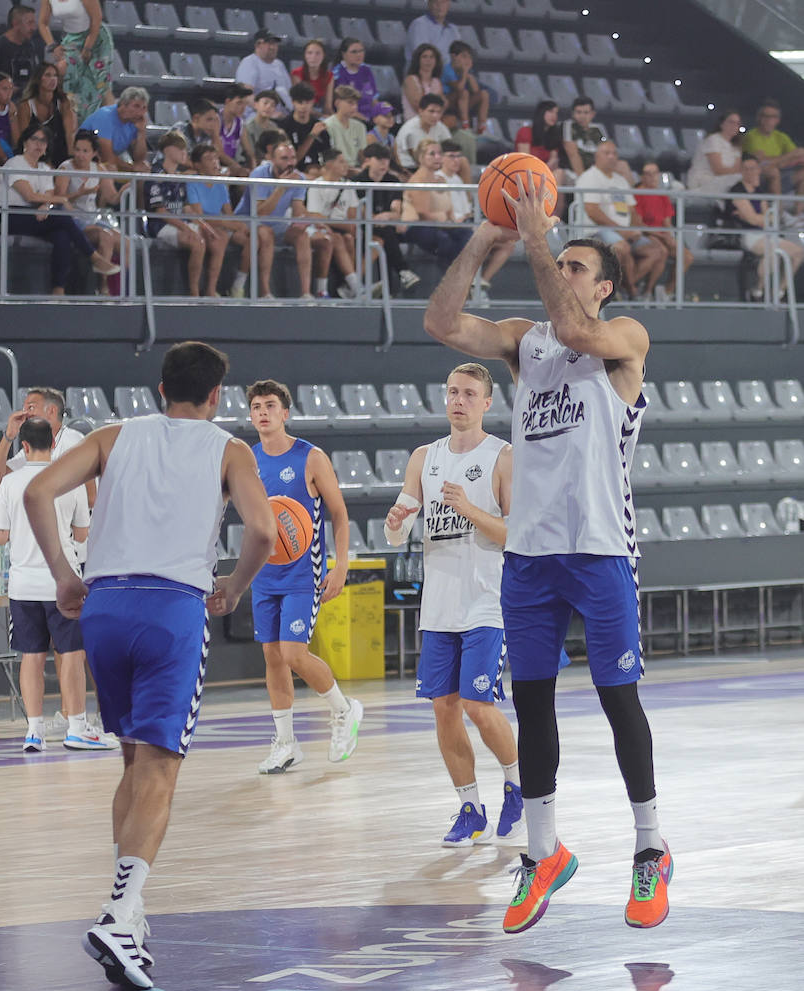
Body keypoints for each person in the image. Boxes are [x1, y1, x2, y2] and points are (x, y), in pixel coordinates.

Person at [423, 172, 673, 934]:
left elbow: (576, 332)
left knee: (615, 694)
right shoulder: (522, 342)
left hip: (599, 548)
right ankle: (542, 853)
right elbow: (440, 321)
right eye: (558, 260)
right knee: (530, 702)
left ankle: (650, 845)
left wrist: (533, 234)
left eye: (574, 266)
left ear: (603, 288)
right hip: (530, 553)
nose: (560, 271)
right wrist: (484, 234)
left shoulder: (623, 338)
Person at [22, 340, 275, 990]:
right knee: (161, 768)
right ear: (217, 396)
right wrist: (237, 584)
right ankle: (120, 912)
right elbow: (265, 531)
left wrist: (61, 574)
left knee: (133, 762)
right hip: (171, 607)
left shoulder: (113, 435)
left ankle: (128, 915)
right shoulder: (230, 449)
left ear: (160, 389)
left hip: (105, 604)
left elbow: (38, 490)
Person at [384, 362, 523, 845]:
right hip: (439, 604)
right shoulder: (425, 457)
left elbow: (517, 533)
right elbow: (397, 528)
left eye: (469, 393)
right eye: (452, 392)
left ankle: (517, 785)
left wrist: (469, 508)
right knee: (444, 708)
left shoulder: (502, 456)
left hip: (486, 600)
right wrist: (397, 520)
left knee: (477, 703)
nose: (458, 400)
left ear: (487, 403)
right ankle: (470, 806)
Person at [245, 379, 364, 774]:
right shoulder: (247, 460)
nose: (263, 412)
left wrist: (340, 564)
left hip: (303, 574)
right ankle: (286, 743)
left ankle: (344, 710)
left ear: (285, 413)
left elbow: (340, 514)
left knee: (293, 653)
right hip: (264, 573)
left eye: (270, 405)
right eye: (256, 406)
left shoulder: (310, 457)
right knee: (271, 656)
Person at [0, 416, 114, 752]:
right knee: (72, 655)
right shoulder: (69, 482)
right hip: (64, 583)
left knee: (30, 657)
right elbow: (81, 533)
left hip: (22, 585)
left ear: (24, 446)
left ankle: (34, 731)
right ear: (53, 444)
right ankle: (76, 726)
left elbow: (0, 537)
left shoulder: (10, 483)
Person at [0, 125, 122, 294]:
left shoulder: (45, 169)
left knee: (62, 235)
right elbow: (30, 196)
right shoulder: (15, 162)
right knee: (62, 217)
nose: (38, 144)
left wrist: (46, 206)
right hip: (10, 214)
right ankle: (95, 258)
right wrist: (59, 200)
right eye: (34, 139)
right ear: (25, 142)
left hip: (33, 215)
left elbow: (47, 196)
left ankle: (58, 290)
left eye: (43, 141)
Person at [231, 138, 326, 299]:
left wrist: (304, 221)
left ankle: (306, 294)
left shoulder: (299, 178)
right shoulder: (259, 174)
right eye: (284, 158)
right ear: (272, 159)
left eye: (293, 158)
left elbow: (297, 210)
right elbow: (260, 212)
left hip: (277, 224)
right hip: (248, 221)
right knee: (266, 233)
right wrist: (281, 187)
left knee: (302, 236)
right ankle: (265, 293)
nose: (290, 163)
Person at [574, 140, 668, 300]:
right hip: (596, 230)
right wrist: (621, 230)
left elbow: (633, 212)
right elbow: (592, 211)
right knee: (622, 248)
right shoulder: (589, 178)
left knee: (657, 251)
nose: (611, 157)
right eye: (607, 153)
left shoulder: (620, 180)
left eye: (614, 153)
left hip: (622, 231)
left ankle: (620, 288)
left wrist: (636, 230)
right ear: (597, 156)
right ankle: (632, 290)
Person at [145, 131, 222, 298]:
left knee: (212, 238)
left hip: (179, 222)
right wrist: (187, 229)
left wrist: (206, 227)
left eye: (185, 149)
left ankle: (210, 290)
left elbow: (187, 209)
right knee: (197, 241)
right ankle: (193, 292)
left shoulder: (179, 177)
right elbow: (161, 213)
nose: (184, 153)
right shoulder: (157, 175)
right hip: (160, 225)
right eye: (179, 148)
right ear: (167, 150)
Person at [0, 387, 91, 502]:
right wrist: (9, 436)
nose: (25, 414)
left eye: (31, 407)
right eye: (24, 408)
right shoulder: (34, 446)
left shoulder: (74, 441)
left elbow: (91, 498)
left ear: (51, 411)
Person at [440, 140, 510, 301]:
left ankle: (481, 281)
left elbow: (467, 208)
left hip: (467, 223)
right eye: (451, 156)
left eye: (458, 156)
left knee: (507, 244)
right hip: (451, 226)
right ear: (441, 158)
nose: (456, 160)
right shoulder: (438, 179)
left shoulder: (458, 179)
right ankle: (470, 286)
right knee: (481, 240)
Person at [728, 155, 804, 301]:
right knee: (772, 252)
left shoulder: (759, 192)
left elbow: (770, 218)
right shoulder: (737, 190)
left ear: (758, 170)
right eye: (747, 169)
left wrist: (760, 218)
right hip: (747, 235)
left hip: (765, 234)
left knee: (798, 252)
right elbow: (752, 219)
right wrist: (761, 218)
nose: (751, 172)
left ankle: (780, 292)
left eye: (753, 168)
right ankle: (758, 291)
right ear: (741, 171)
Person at [56, 129, 122, 292]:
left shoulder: (98, 169)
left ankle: (123, 290)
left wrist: (126, 189)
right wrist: (80, 193)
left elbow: (112, 198)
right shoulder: (65, 168)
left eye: (85, 151)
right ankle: (102, 286)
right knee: (105, 236)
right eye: (77, 149)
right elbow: (59, 198)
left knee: (125, 243)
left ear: (93, 153)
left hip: (94, 219)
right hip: (73, 219)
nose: (80, 154)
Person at [355, 142, 419, 293]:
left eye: (386, 159)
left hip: (386, 225)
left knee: (388, 233)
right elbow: (363, 213)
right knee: (387, 233)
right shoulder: (358, 181)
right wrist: (379, 218)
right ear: (369, 160)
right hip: (363, 225)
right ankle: (403, 272)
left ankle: (391, 287)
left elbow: (396, 212)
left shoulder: (393, 181)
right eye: (379, 159)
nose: (384, 163)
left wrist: (386, 216)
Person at [38, 0, 113, 123]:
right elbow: (42, 23)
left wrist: (87, 48)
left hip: (95, 37)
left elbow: (96, 19)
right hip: (72, 37)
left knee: (101, 84)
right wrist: (52, 46)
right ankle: (74, 122)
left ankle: (107, 125)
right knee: (67, 76)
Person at [404, 139, 470, 268]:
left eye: (439, 154)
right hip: (418, 226)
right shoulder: (418, 180)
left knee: (466, 234)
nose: (437, 158)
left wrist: (452, 221)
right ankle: (451, 278)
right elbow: (422, 213)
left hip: (442, 223)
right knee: (444, 239)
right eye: (432, 154)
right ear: (421, 158)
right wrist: (447, 221)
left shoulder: (441, 180)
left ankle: (464, 277)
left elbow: (449, 208)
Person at [305, 148, 362, 299]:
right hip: (320, 228)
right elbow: (315, 216)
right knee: (335, 238)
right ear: (329, 164)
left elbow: (352, 218)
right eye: (341, 162)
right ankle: (354, 287)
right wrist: (338, 224)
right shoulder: (317, 186)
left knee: (349, 239)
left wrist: (339, 225)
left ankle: (349, 287)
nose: (346, 166)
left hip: (339, 228)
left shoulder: (348, 186)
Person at [633, 161, 693, 303]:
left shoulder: (662, 194)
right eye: (648, 174)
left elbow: (667, 221)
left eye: (655, 173)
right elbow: (639, 224)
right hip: (646, 234)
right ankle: (647, 291)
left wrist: (669, 235)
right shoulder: (637, 194)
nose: (652, 177)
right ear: (642, 177)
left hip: (661, 234)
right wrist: (660, 235)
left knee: (687, 256)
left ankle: (666, 291)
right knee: (662, 251)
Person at [17, 61, 77, 167]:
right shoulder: (26, 106)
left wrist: (71, 160)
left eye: (55, 75)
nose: (53, 79)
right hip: (34, 153)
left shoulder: (63, 102)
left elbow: (69, 134)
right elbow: (25, 138)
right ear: (38, 79)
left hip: (59, 152)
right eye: (48, 75)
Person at [0, 3, 49, 92]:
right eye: (30, 23)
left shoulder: (30, 45)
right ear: (16, 24)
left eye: (34, 23)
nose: (34, 28)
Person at [742, 99, 804, 199]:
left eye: (773, 117)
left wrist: (777, 160)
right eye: (765, 116)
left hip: (782, 176)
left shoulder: (781, 137)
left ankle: (798, 214)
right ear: (759, 118)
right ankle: (778, 213)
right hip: (758, 178)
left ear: (778, 120)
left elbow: (800, 156)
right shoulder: (751, 136)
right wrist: (788, 157)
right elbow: (761, 163)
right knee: (773, 171)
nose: (769, 120)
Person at [80, 86, 149, 172]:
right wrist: (133, 168)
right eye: (136, 106)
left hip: (108, 164)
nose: (140, 112)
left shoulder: (134, 122)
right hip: (87, 161)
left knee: (145, 167)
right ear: (123, 104)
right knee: (110, 167)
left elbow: (139, 159)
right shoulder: (105, 116)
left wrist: (141, 132)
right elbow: (107, 158)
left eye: (144, 108)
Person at [277, 81, 331, 174]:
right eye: (300, 102)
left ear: (313, 102)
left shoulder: (319, 126)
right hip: (292, 172)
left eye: (307, 102)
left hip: (318, 171)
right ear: (293, 102)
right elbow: (291, 161)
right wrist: (312, 135)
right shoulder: (284, 126)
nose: (304, 107)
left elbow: (328, 156)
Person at [686, 108, 744, 194]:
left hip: (724, 181)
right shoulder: (713, 140)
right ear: (722, 124)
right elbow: (718, 170)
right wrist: (736, 171)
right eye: (731, 122)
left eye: (737, 123)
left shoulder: (735, 146)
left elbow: (738, 168)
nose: (735, 126)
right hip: (704, 180)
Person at [234, 29, 291, 114]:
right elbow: (246, 95)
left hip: (281, 114)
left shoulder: (279, 64)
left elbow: (288, 92)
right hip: (255, 114)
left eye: (275, 44)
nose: (273, 47)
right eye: (269, 43)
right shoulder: (249, 63)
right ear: (258, 44)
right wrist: (268, 113)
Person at [441, 40, 488, 135]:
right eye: (464, 56)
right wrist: (465, 72)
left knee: (484, 94)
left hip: (461, 103)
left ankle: (481, 127)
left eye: (469, 57)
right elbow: (459, 88)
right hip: (447, 102)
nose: (467, 60)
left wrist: (469, 75)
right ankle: (465, 125)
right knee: (464, 93)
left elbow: (476, 90)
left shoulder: (462, 70)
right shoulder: (447, 69)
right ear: (453, 56)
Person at [332, 37, 381, 122]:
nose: (359, 55)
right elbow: (346, 107)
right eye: (354, 52)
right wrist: (367, 121)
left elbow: (374, 100)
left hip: (370, 119)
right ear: (344, 54)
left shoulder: (366, 69)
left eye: (361, 51)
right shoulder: (338, 73)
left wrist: (379, 116)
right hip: (351, 119)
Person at [559, 96, 607, 179]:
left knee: (622, 165)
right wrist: (584, 180)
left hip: (596, 171)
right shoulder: (569, 126)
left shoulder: (598, 129)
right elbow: (572, 152)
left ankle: (635, 191)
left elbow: (606, 146)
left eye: (586, 112)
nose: (582, 116)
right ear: (573, 114)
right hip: (574, 173)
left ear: (592, 114)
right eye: (579, 112)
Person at [324, 85, 368, 169]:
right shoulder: (327, 125)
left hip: (357, 169)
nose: (355, 107)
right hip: (336, 169)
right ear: (337, 103)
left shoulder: (360, 127)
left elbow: (362, 154)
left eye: (356, 103)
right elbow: (330, 157)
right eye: (350, 102)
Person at [406, 0, 460, 64]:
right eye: (435, 2)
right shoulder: (419, 24)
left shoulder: (453, 29)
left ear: (448, 5)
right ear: (429, 4)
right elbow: (424, 56)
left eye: (443, 2)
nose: (439, 6)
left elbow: (458, 56)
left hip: (447, 71)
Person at [402, 43, 444, 123]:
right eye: (424, 57)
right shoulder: (410, 80)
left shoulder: (436, 82)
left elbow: (441, 107)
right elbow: (418, 106)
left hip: (433, 123)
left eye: (431, 57)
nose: (428, 60)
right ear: (418, 60)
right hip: (414, 124)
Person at [218, 83, 254, 173]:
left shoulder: (240, 123)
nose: (243, 108)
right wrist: (238, 168)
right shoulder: (216, 119)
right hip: (215, 165)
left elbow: (248, 152)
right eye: (239, 103)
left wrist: (254, 169)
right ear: (227, 101)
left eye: (245, 104)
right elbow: (219, 153)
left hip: (230, 166)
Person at [290, 38, 332, 115]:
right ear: (305, 55)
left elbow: (328, 106)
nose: (313, 57)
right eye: (309, 53)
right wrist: (322, 116)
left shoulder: (329, 76)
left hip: (320, 112)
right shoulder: (296, 74)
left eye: (318, 53)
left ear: (324, 56)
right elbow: (301, 104)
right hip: (303, 113)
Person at [244, 89, 283, 168]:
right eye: (265, 103)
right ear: (256, 105)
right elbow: (250, 154)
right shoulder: (248, 127)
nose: (268, 107)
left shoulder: (274, 128)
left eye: (273, 105)